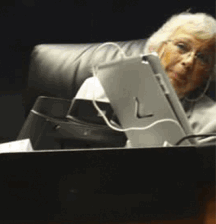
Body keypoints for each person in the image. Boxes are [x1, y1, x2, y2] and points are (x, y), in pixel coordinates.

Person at [75, 11, 216, 136]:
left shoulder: (211, 122)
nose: (189, 62)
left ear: (208, 74)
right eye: (182, 46)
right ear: (157, 47)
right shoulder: (98, 89)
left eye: (203, 58)